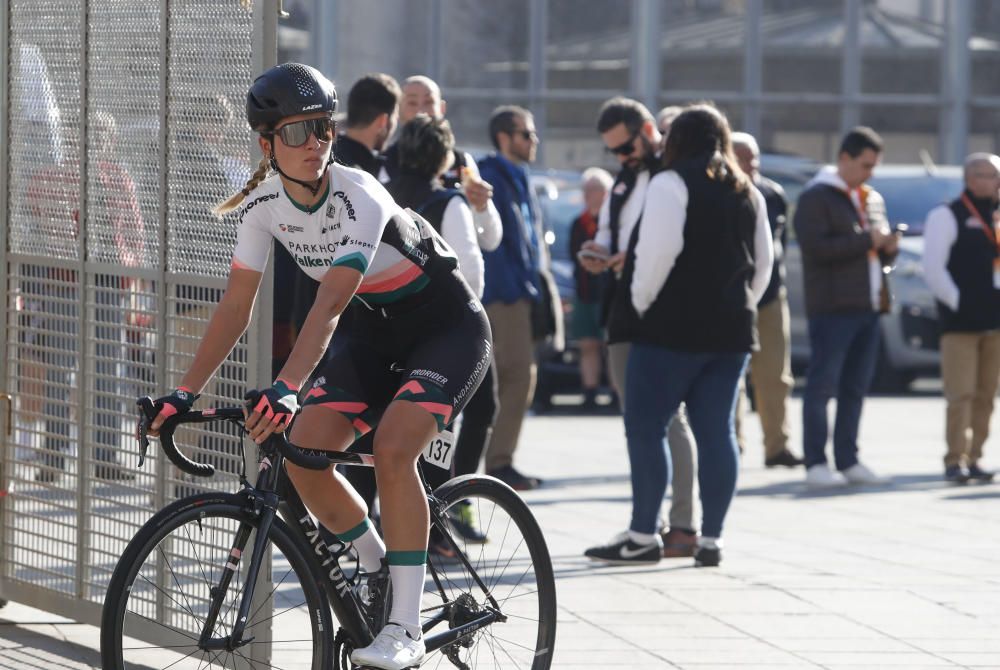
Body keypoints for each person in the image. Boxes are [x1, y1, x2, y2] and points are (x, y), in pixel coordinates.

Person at [148, 63, 491, 670]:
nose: (316, 145)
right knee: (304, 452)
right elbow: (235, 309)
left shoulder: (360, 194)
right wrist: (182, 392)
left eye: (323, 129)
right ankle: (379, 561)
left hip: (446, 328)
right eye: (298, 133)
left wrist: (285, 387)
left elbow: (330, 302)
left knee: (392, 450)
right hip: (374, 334)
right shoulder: (262, 204)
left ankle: (405, 629)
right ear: (266, 142)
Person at [586, 104, 773, 568]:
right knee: (716, 433)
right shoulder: (748, 189)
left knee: (646, 428)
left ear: (676, 141)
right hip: (731, 331)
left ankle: (644, 534)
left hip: (670, 329)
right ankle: (711, 539)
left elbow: (655, 258)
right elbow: (765, 265)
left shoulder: (671, 183)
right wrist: (738, 302)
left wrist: (644, 306)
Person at [580, 97, 700, 559]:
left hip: (663, 312)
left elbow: (679, 243)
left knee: (666, 419)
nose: (622, 158)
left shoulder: (677, 174)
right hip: (624, 311)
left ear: (649, 129)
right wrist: (599, 249)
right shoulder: (626, 180)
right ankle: (654, 524)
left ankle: (678, 526)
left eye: (627, 147)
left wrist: (633, 260)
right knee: (643, 422)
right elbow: (612, 233)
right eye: (614, 152)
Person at [381, 75, 503, 497]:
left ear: (442, 107)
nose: (420, 107)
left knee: (473, 408)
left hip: (399, 320)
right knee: (434, 419)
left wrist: (483, 208)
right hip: (447, 325)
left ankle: (452, 498)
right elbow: (471, 269)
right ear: (398, 109)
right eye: (411, 100)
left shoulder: (461, 166)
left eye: (427, 100)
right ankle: (437, 505)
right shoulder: (384, 164)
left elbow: (488, 238)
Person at [794, 127, 900, 489]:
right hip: (833, 305)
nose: (870, 172)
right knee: (822, 386)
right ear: (844, 158)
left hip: (869, 304)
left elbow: (877, 249)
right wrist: (865, 240)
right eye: (865, 164)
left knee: (856, 386)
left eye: (874, 166)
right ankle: (815, 462)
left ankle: (848, 458)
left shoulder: (870, 197)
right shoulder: (817, 197)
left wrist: (888, 245)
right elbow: (815, 248)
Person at [477, 105, 560, 491]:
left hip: (518, 293)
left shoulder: (519, 177)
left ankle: (497, 459)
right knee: (516, 378)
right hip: (502, 296)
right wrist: (514, 289)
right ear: (505, 138)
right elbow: (496, 242)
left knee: (514, 379)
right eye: (527, 134)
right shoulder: (490, 176)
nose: (534, 141)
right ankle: (498, 462)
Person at [923, 153, 1000, 484]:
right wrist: (958, 303)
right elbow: (933, 269)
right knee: (961, 394)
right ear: (970, 178)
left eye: (996, 176)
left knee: (986, 395)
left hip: (995, 323)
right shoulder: (947, 215)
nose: (992, 182)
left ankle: (976, 457)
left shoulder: (996, 217)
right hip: (961, 324)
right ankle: (955, 458)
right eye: (985, 175)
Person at [731, 132, 802, 468]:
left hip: (771, 296)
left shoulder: (773, 193)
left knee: (775, 374)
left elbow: (779, 246)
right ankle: (733, 444)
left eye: (755, 157)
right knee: (731, 375)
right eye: (744, 157)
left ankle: (778, 445)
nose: (751, 164)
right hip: (731, 297)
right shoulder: (722, 191)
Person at [569, 168, 612, 410]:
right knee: (588, 345)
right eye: (585, 190)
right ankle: (589, 392)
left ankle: (616, 394)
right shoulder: (579, 223)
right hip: (584, 292)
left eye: (593, 189)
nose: (588, 194)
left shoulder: (612, 220)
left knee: (611, 345)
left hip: (607, 293)